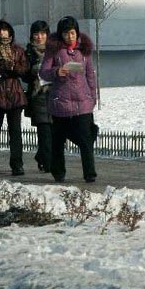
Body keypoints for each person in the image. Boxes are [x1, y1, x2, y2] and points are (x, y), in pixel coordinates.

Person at [39, 16, 98, 184]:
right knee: (58, 139)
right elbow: (43, 72)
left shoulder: (84, 50)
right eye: (66, 33)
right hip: (61, 101)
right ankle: (58, 172)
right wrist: (56, 72)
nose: (70, 37)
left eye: (72, 33)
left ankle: (90, 173)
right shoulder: (54, 50)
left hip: (82, 101)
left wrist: (92, 97)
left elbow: (90, 76)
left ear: (77, 33)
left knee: (86, 139)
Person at [0, 20, 29, 176]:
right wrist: (1, 68)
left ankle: (17, 165)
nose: (2, 33)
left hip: (15, 95)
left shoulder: (18, 50)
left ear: (10, 32)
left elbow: (23, 69)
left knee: (15, 132)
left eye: (5, 30)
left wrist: (13, 68)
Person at [24, 20, 53, 173]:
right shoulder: (28, 52)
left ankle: (42, 156)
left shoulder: (54, 51)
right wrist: (35, 71)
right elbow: (24, 74)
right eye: (36, 34)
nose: (39, 37)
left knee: (54, 131)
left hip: (54, 95)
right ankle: (48, 165)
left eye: (42, 33)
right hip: (38, 96)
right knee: (44, 132)